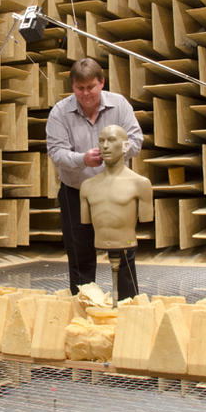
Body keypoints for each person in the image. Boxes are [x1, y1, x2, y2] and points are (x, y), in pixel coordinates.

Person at [46, 57, 143, 296]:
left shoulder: (119, 105)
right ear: (73, 87)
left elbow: (137, 141)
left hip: (116, 191)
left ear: (101, 82)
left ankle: (128, 307)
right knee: (79, 255)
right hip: (76, 193)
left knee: (123, 254)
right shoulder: (60, 112)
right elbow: (56, 152)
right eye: (80, 89)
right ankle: (84, 308)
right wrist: (82, 159)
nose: (86, 93)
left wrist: (115, 152)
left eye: (91, 87)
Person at [80, 125, 153, 300]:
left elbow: (146, 217)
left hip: (126, 242)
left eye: (112, 140)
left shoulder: (140, 184)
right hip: (99, 242)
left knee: (128, 299)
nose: (105, 146)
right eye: (101, 141)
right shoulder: (87, 186)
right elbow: (85, 221)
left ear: (126, 146)